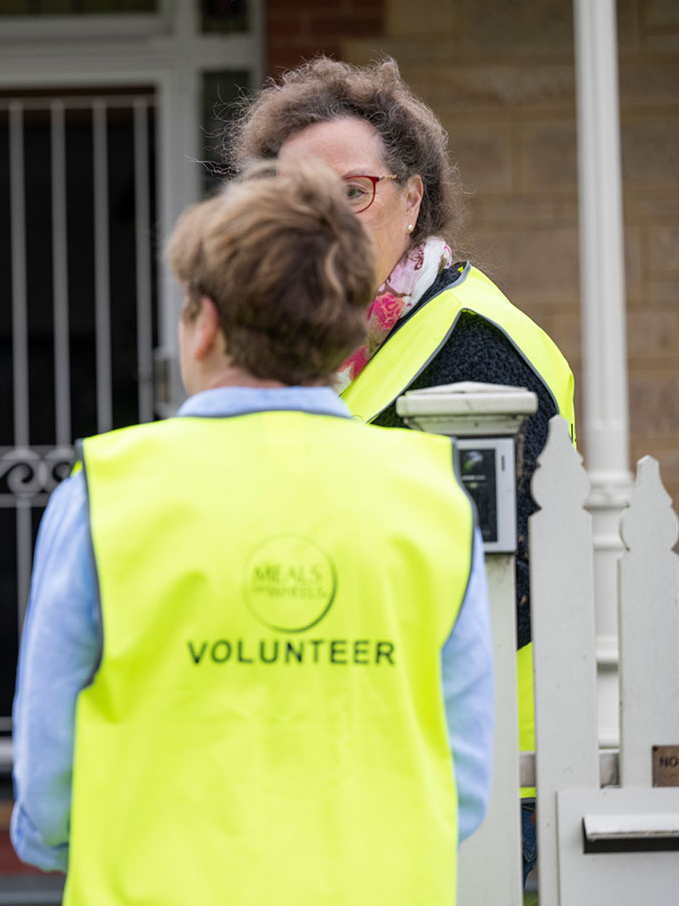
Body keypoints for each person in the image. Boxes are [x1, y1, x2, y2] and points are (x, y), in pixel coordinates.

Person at [10, 161, 494, 904]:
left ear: (203, 323)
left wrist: (66, 840)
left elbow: (48, 774)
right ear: (343, 341)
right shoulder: (431, 496)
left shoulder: (105, 493)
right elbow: (461, 773)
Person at [225, 57, 572, 875]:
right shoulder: (317, 350)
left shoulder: (482, 348)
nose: (324, 222)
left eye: (352, 191)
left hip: (477, 776)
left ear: (413, 198)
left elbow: (501, 591)